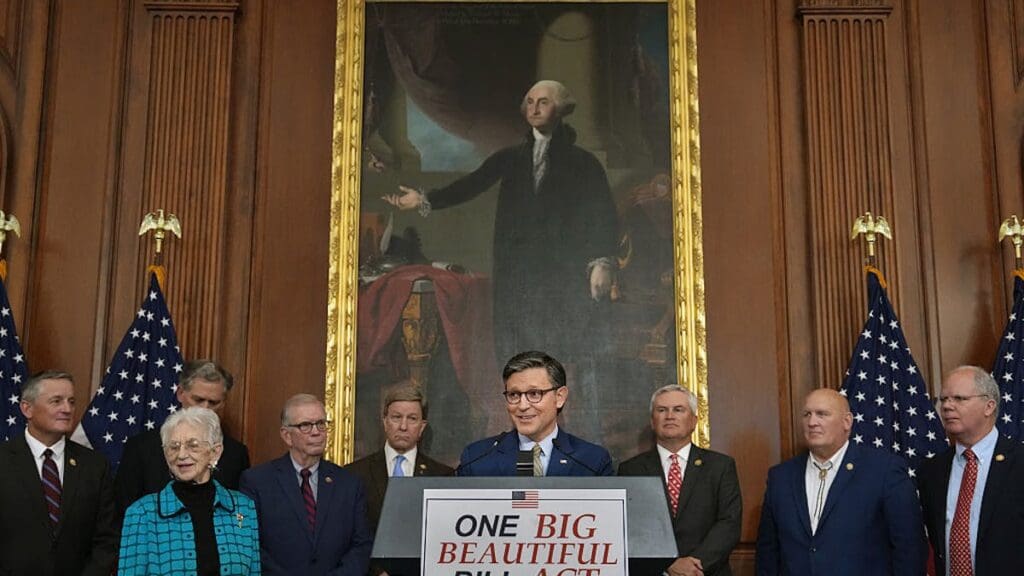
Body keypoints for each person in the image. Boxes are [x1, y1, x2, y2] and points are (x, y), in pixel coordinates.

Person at [383, 80, 619, 363]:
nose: (534, 108)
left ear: (561, 109)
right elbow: (471, 185)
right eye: (530, 102)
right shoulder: (511, 157)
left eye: (543, 102)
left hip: (561, 273)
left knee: (557, 349)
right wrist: (424, 199)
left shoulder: (584, 163)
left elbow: (602, 213)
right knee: (516, 347)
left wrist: (602, 262)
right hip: (516, 271)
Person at [755, 388, 926, 575]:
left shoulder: (884, 470)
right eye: (807, 414)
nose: (812, 422)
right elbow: (767, 554)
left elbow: (909, 549)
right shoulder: (781, 477)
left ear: (847, 422)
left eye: (822, 414)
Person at [240, 394, 373, 575]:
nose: (316, 432)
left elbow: (361, 545)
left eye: (321, 424)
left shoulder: (349, 483)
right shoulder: (257, 481)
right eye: (305, 425)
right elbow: (251, 545)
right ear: (287, 435)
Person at [0, 371, 118, 576]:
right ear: (27, 408)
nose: (67, 409)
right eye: (56, 401)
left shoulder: (94, 466)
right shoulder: (3, 460)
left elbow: (107, 539)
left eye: (71, 401)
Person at [118, 406, 260, 575]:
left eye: (193, 445)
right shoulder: (142, 513)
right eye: (174, 447)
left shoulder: (243, 508)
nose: (182, 455)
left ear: (215, 452)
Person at [619, 384, 741, 576]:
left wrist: (695, 565)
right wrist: (667, 564)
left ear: (694, 420)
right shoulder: (631, 470)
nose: (669, 416)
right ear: (652, 421)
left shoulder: (720, 466)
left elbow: (729, 523)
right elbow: (630, 528)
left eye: (678, 409)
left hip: (707, 571)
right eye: (662, 410)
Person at [918, 366, 1023, 575]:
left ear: (989, 406)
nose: (947, 406)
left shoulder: (1019, 462)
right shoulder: (932, 470)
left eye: (959, 398)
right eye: (943, 399)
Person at [115, 360, 251, 515]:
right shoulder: (141, 448)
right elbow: (124, 511)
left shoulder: (236, 453)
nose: (205, 408)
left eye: (213, 402)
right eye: (198, 400)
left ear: (224, 403)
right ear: (180, 393)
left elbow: (239, 513)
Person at [345, 383, 453, 575]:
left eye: (412, 418)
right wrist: (376, 572)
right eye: (396, 417)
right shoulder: (355, 474)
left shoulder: (442, 476)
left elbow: (444, 538)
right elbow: (347, 535)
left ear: (422, 427)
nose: (403, 426)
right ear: (385, 421)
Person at [457, 350, 613, 476]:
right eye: (514, 395)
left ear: (559, 397)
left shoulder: (592, 461)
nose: (523, 405)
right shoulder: (476, 459)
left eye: (534, 394)